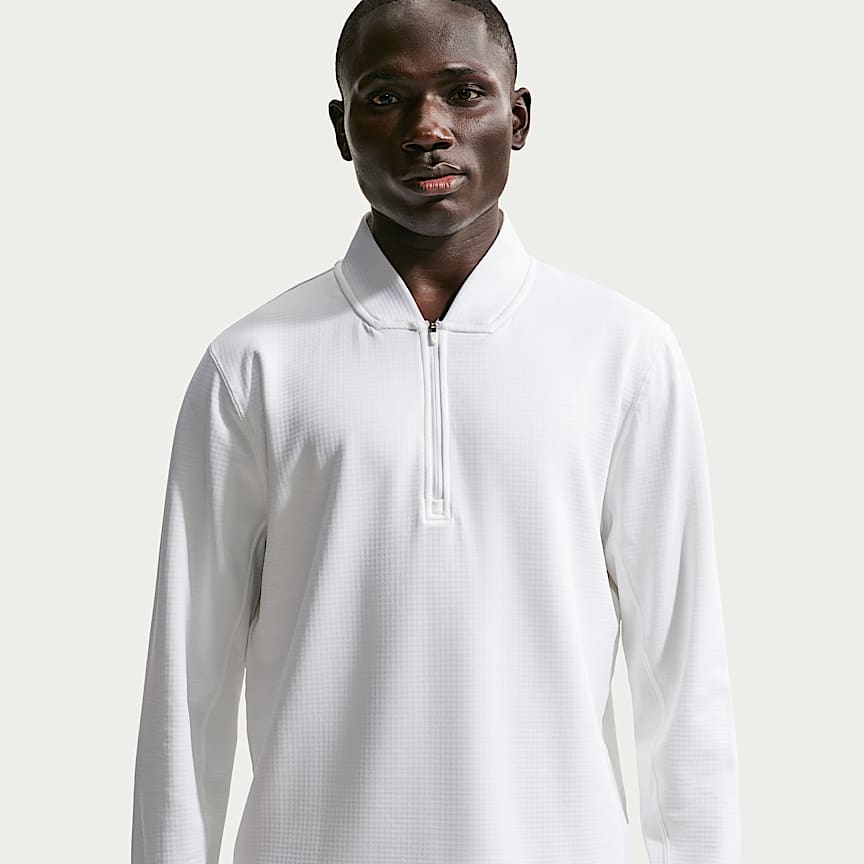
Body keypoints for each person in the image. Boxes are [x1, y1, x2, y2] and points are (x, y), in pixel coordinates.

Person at [131, 1, 741, 862]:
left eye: (463, 92)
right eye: (386, 97)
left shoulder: (624, 353)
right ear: (341, 128)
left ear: (517, 118)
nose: (429, 129)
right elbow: (186, 681)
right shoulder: (253, 366)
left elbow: (683, 670)